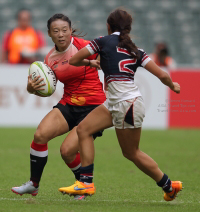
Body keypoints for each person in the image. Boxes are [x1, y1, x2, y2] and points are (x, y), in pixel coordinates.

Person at [59, 9, 182, 201]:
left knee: (131, 152)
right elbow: (163, 75)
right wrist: (173, 85)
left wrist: (91, 63)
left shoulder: (102, 41)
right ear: (128, 28)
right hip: (120, 102)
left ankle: (168, 185)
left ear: (108, 26)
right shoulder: (136, 49)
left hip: (126, 105)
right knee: (83, 130)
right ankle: (86, 183)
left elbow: (74, 60)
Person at [11, 14, 106, 200]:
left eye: (64, 30)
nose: (61, 34)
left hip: (93, 107)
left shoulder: (85, 46)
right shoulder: (50, 58)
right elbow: (44, 90)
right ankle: (33, 184)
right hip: (69, 103)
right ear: (49, 34)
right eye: (56, 31)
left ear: (70, 30)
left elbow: (107, 58)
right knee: (40, 135)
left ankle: (83, 185)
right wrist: (31, 88)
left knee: (67, 151)